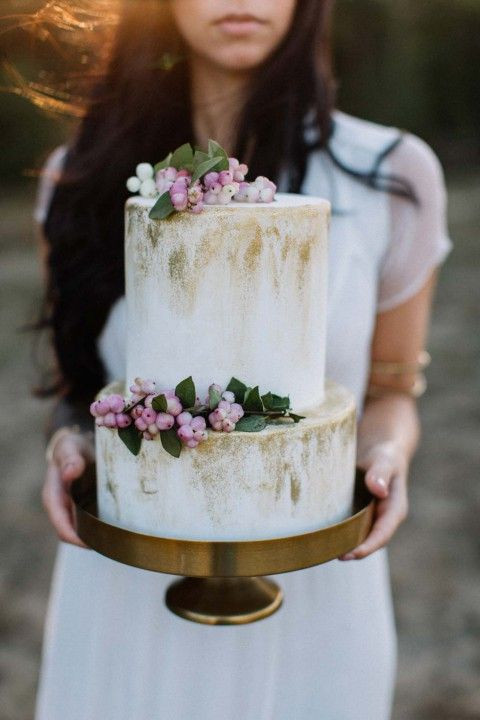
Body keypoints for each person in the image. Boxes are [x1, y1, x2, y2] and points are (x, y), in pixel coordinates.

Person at [33, 1, 453, 718]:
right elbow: (85, 382)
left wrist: (386, 453)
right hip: (129, 572)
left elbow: (392, 387)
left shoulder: (392, 174)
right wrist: (77, 438)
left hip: (315, 567)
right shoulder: (82, 178)